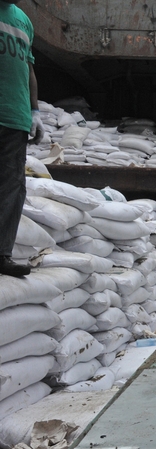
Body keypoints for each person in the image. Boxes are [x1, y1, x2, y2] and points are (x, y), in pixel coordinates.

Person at [0, 0, 42, 278]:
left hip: (15, 118)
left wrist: (35, 111)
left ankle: (2, 254)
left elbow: (28, 68)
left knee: (11, 190)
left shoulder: (23, 20)